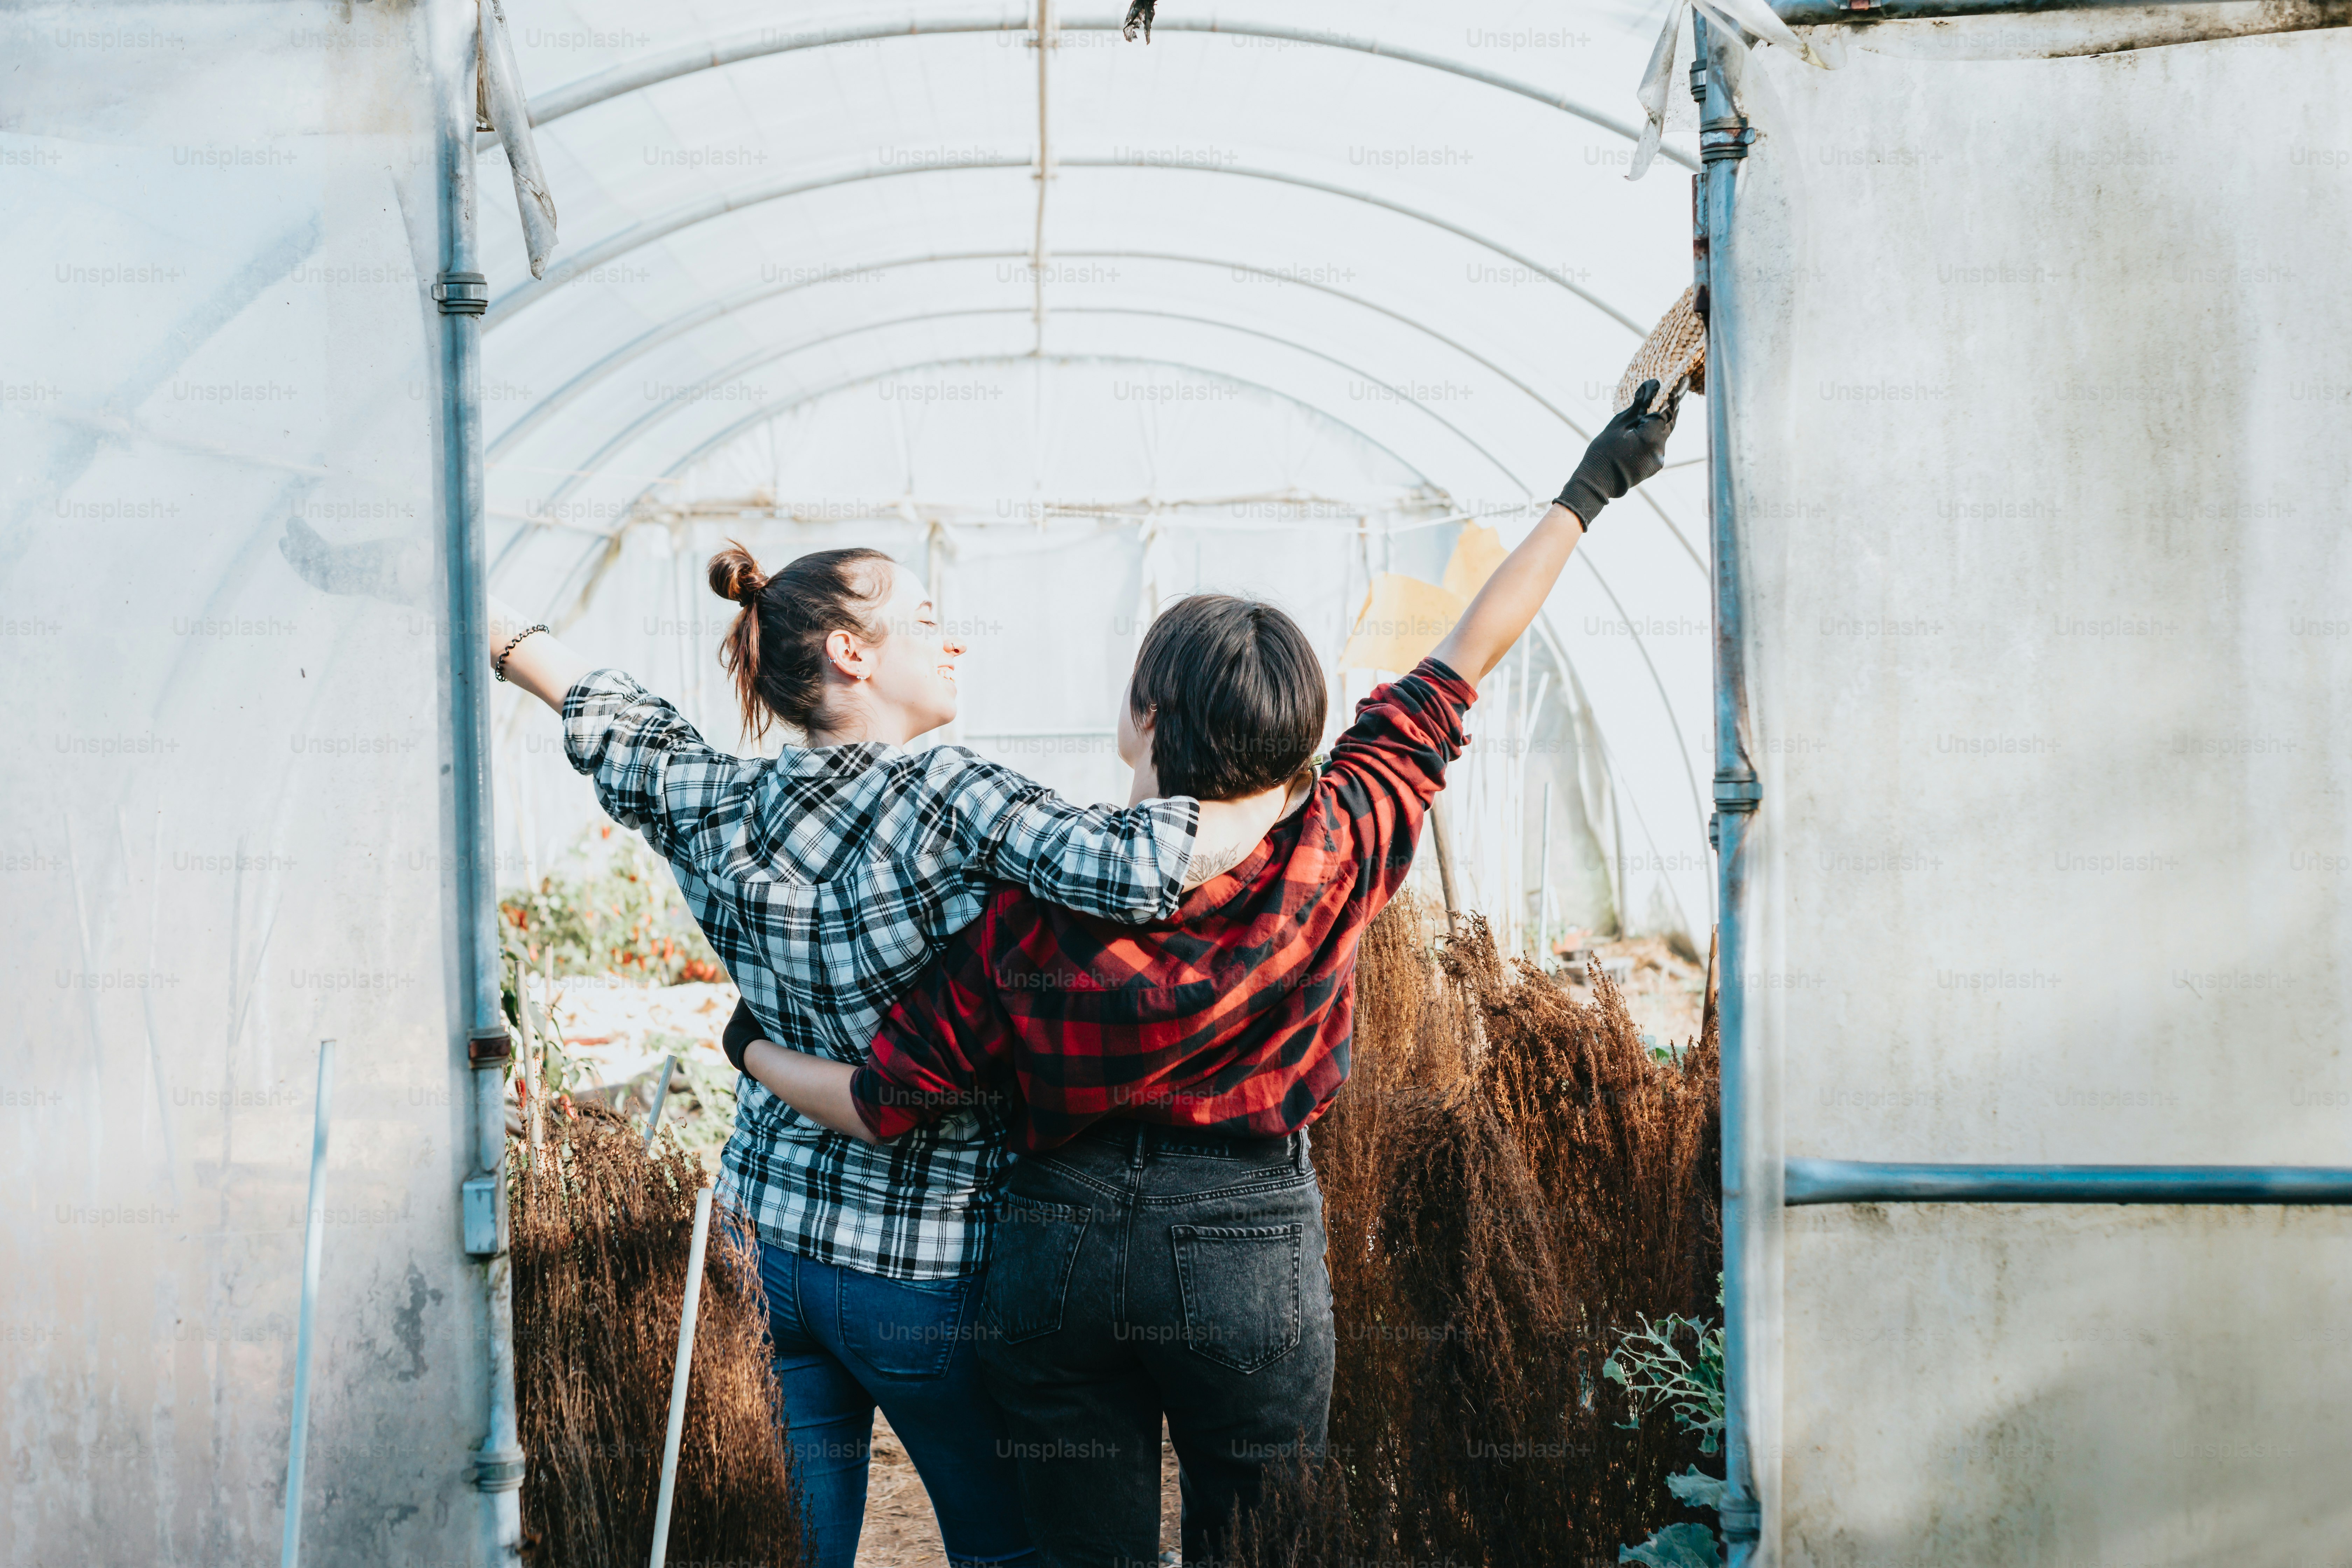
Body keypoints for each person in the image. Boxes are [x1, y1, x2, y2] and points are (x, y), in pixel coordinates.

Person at [728, 382, 1682, 1567]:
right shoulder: (1339, 838)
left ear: (1141, 718)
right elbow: (1467, 652)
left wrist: (755, 1048)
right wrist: (1593, 488)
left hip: (1053, 1247)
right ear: (1298, 733)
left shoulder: (1026, 908)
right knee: (1266, 1544)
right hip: (1246, 1242)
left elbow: (884, 1102)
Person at [284, 524, 1285, 1568]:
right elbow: (1143, 865)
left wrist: (466, 609)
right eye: (930, 623)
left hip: (767, 1251)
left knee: (792, 1551)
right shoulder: (949, 795)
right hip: (928, 1269)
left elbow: (598, 710)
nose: (956, 645)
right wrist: (1300, 782)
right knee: (1014, 1553)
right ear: (853, 653)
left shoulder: (716, 801)